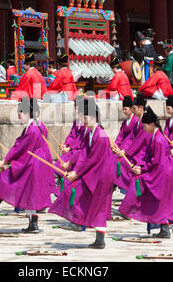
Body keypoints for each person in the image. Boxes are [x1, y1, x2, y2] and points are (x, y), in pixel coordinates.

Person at [0, 97, 55, 233]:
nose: (19, 115)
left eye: (20, 112)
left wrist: (6, 161)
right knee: (31, 193)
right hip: (39, 163)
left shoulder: (32, 130)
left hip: (32, 162)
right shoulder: (39, 125)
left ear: (27, 113)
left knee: (4, 178)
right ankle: (33, 224)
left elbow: (21, 148)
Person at [49, 98, 116, 249]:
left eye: (86, 117)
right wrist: (69, 163)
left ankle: (83, 225)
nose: (84, 120)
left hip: (102, 175)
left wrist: (76, 173)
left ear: (94, 117)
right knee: (91, 200)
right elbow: (83, 152)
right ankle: (86, 227)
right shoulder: (90, 132)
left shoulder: (101, 135)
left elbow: (92, 159)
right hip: (95, 172)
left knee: (96, 202)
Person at [118, 106, 173, 239]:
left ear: (151, 124)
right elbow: (149, 157)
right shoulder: (153, 137)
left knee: (155, 196)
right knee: (158, 201)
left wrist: (142, 169)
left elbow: (157, 161)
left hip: (163, 171)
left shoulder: (158, 140)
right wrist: (139, 165)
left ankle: (129, 208)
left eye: (145, 125)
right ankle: (164, 227)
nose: (143, 128)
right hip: (160, 168)